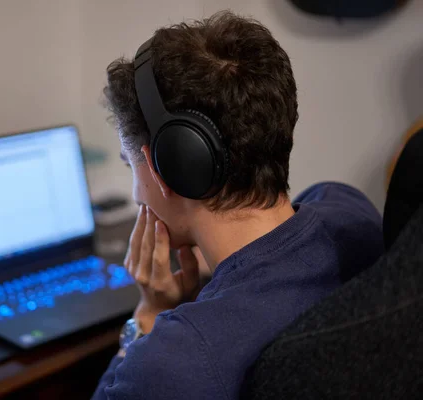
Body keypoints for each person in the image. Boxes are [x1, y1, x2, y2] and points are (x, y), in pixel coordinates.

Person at [92, 11, 384, 400]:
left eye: (132, 165)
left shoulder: (174, 361)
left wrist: (149, 316)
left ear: (172, 165)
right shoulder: (351, 211)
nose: (134, 194)